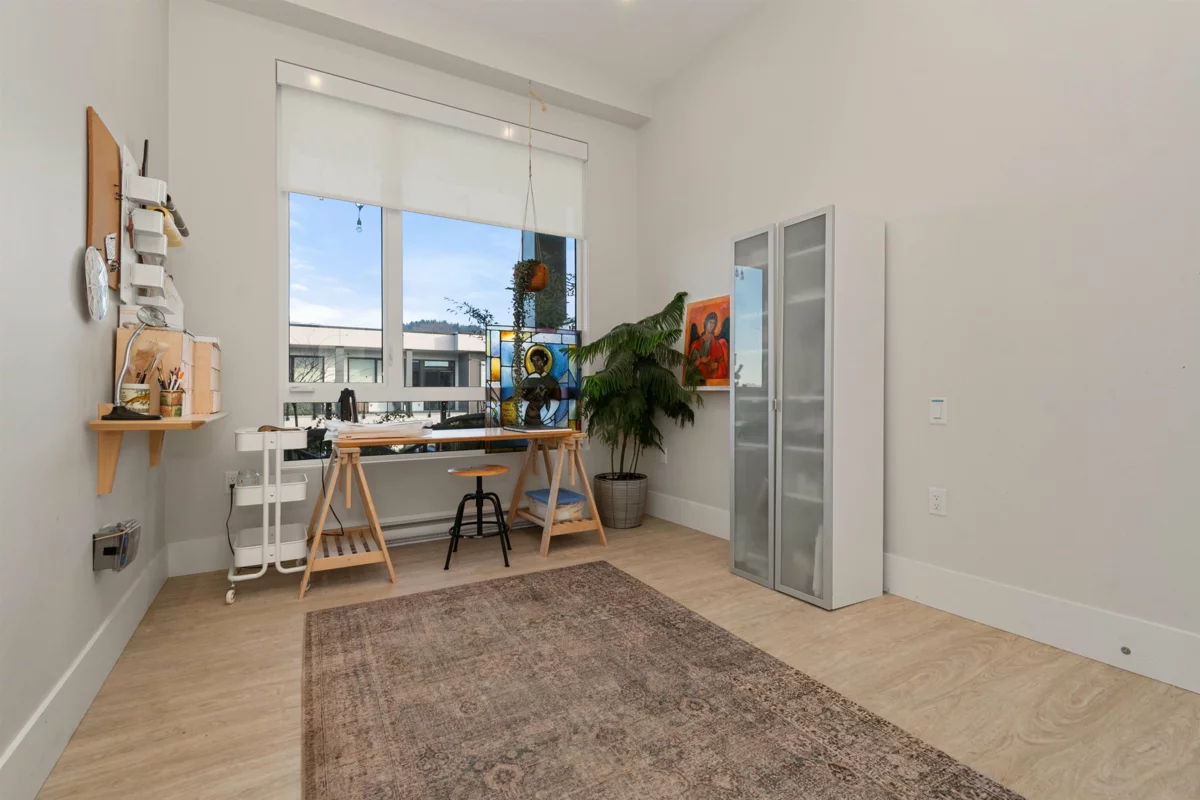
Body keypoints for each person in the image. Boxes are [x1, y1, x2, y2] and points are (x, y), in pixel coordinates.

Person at [689, 311, 729, 383]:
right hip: (697, 379)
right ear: (705, 323)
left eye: (713, 323)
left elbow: (722, 362)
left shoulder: (717, 344)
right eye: (710, 322)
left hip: (711, 377)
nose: (711, 325)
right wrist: (700, 360)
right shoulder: (695, 344)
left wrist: (717, 365)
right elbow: (689, 366)